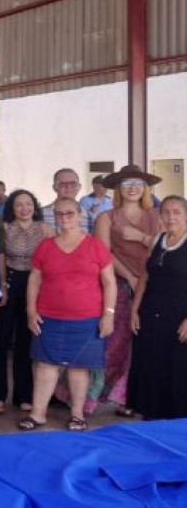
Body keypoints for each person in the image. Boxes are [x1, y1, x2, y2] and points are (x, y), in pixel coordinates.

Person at [19, 198, 116, 432]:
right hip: (48, 316)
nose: (64, 218)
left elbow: (109, 282)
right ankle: (37, 414)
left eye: (70, 213)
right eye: (59, 214)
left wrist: (109, 314)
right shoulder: (45, 246)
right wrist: (31, 310)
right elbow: (34, 280)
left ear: (80, 215)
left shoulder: (95, 246)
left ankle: (77, 415)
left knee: (79, 367)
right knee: (45, 365)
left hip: (87, 317)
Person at [93, 164, 161, 417]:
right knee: (116, 342)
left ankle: (136, 396)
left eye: (138, 184)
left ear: (145, 188)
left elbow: (168, 245)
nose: (132, 188)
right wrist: (131, 277)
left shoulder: (158, 215)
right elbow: (104, 253)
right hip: (119, 284)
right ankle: (108, 394)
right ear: (118, 188)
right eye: (127, 184)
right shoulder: (106, 217)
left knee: (146, 342)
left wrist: (141, 237)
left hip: (155, 285)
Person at [0, 190, 52, 415]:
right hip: (10, 281)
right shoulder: (5, 228)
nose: (24, 209)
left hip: (35, 284)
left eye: (28, 204)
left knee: (26, 342)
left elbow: (52, 257)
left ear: (34, 207)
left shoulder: (44, 229)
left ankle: (24, 396)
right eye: (19, 205)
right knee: (1, 340)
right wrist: (2, 285)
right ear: (11, 208)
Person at [128, 196, 187, 420]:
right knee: (151, 364)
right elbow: (145, 276)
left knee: (178, 367)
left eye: (177, 212)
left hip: (180, 314)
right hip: (151, 311)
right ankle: (152, 418)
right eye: (166, 212)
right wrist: (135, 309)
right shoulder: (158, 240)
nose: (171, 217)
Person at [41, 169, 91, 234]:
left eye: (73, 183)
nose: (68, 187)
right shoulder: (40, 214)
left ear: (79, 187)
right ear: (54, 187)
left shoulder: (89, 215)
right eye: (62, 184)